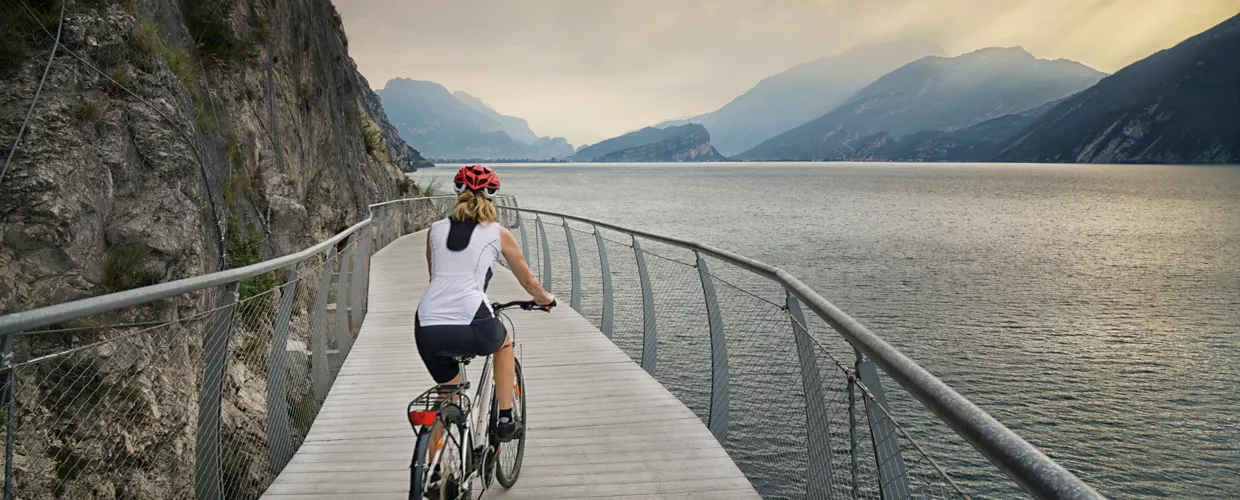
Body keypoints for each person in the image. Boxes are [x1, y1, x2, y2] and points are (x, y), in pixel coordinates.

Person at [414, 164, 554, 442]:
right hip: (471, 317)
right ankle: (504, 418)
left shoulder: (435, 231)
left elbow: (436, 276)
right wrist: (545, 299)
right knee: (504, 345)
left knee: (446, 396)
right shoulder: (498, 233)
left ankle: (433, 476)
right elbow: (528, 281)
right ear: (491, 197)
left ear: (458, 194)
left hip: (427, 323)